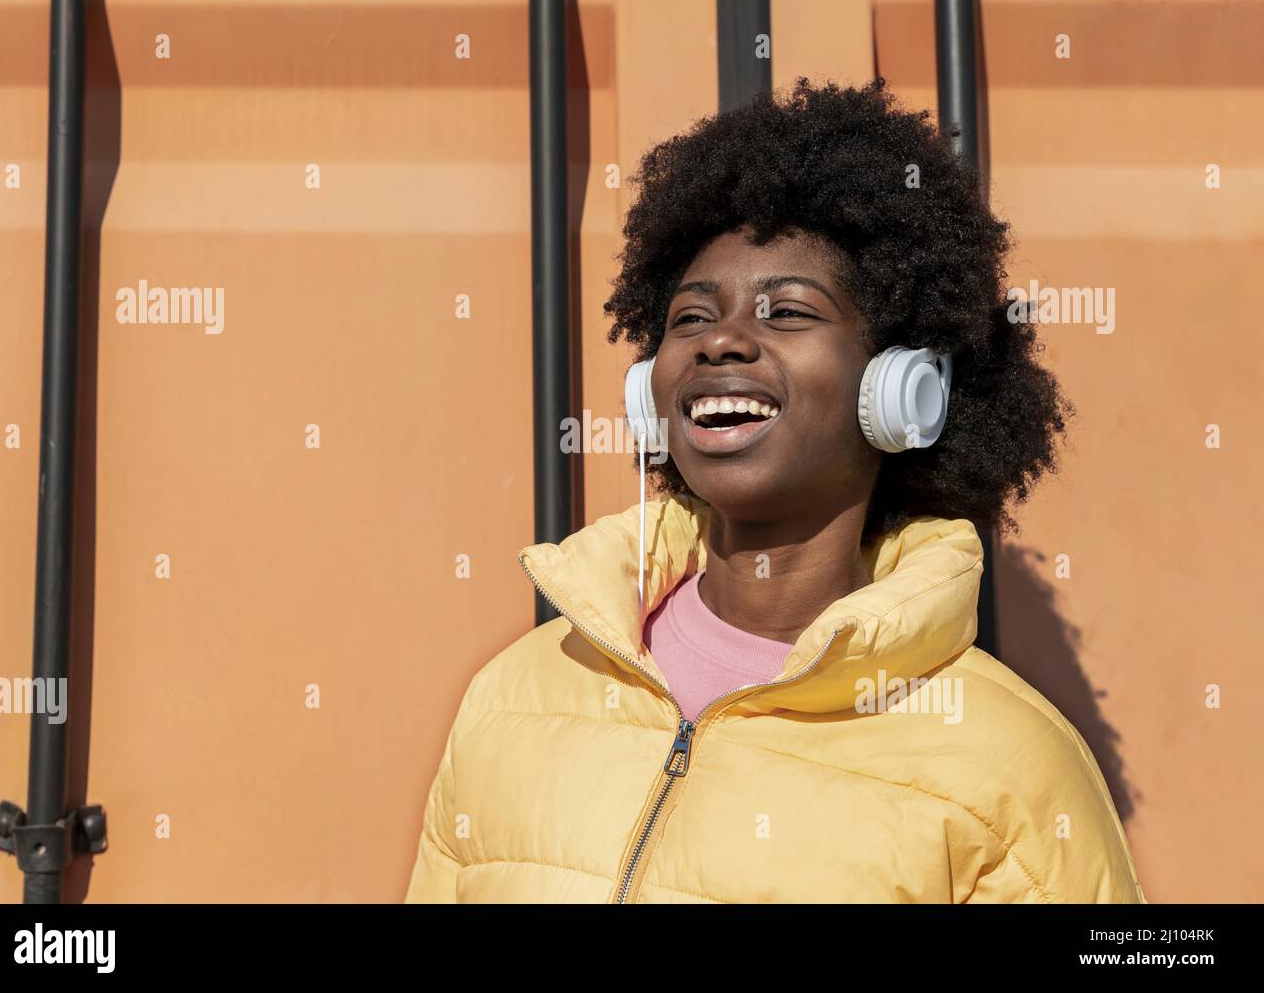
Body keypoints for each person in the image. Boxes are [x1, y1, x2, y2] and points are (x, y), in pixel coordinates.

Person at [404, 77, 1146, 904]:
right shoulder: (513, 695)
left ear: (902, 392)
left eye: (787, 312)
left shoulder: (1010, 764)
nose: (722, 340)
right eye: (689, 318)